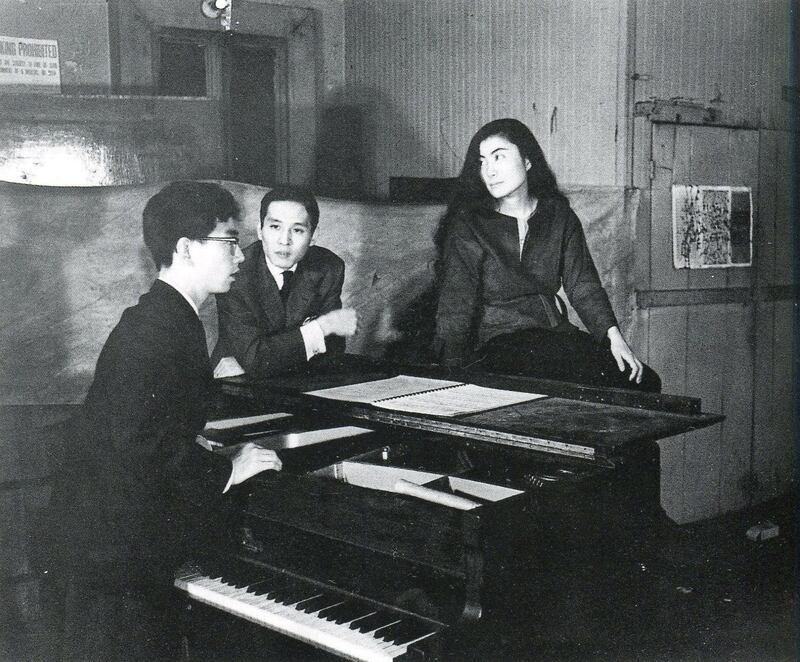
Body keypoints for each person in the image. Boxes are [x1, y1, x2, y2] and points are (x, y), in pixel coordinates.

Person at [48, 181, 283, 660]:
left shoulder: (168, 317)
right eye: (231, 241)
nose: (241, 257)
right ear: (186, 248)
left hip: (114, 537)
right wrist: (228, 469)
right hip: (114, 555)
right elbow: (136, 447)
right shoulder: (159, 330)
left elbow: (151, 429)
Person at [433, 118, 660, 392]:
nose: (489, 170)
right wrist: (451, 370)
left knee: (643, 381)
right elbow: (456, 301)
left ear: (528, 161)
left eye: (499, 157)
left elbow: (583, 285)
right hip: (498, 342)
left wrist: (614, 339)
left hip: (554, 335)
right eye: (482, 161)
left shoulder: (559, 216)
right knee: (566, 385)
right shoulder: (469, 224)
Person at [212, 185, 358, 378]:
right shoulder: (236, 273)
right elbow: (255, 358)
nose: (284, 240)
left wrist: (261, 362)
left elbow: (332, 349)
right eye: (275, 227)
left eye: (297, 230)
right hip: (237, 384)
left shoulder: (328, 267)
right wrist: (321, 327)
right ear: (260, 230)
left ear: (313, 236)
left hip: (294, 379)